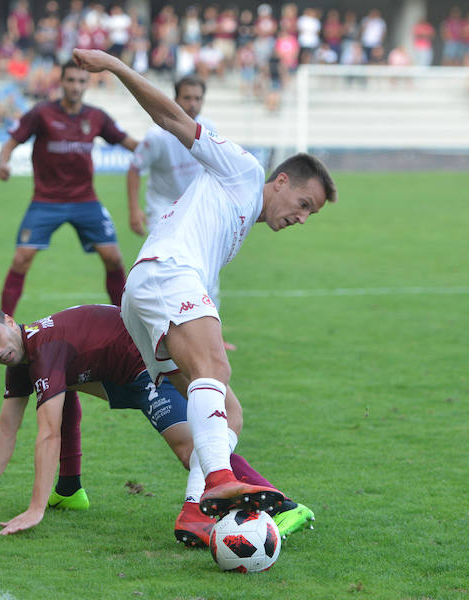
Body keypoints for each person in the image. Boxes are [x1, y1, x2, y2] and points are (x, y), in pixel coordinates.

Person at [72, 48, 337, 517]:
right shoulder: (244, 169)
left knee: (228, 411)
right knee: (216, 365)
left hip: (151, 289)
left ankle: (195, 511)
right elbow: (173, 117)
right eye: (303, 203)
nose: (301, 217)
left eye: (310, 214)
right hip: (165, 272)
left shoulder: (232, 225)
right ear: (279, 181)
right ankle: (219, 479)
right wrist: (114, 66)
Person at [0, 303, 315, 545]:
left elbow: (48, 433)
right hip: (115, 369)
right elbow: (5, 431)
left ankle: (285, 507)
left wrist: (35, 509)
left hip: (145, 361)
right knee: (60, 394)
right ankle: (70, 490)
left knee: (192, 449)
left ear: (10, 323)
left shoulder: (45, 351)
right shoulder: (23, 361)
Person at [0, 60, 137, 317]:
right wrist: (3, 163)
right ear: (61, 83)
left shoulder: (96, 117)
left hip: (85, 200)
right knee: (21, 258)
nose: (75, 86)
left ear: (87, 84)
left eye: (81, 81)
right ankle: (4, 322)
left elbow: (130, 143)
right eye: (70, 80)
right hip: (46, 201)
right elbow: (11, 143)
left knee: (114, 258)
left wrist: (162, 151)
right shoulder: (41, 113)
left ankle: (126, 322)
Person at [126, 75, 237, 352]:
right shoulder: (157, 137)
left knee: (208, 273)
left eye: (197, 98)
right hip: (163, 210)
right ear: (175, 99)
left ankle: (213, 337)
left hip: (197, 212)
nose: (192, 104)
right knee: (165, 273)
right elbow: (134, 168)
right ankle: (161, 335)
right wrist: (134, 209)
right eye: (187, 97)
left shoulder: (207, 128)